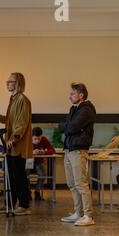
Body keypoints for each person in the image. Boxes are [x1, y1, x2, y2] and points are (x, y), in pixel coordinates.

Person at [0, 72, 33, 216]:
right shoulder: (13, 99)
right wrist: (0, 118)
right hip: (11, 147)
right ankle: (9, 203)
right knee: (11, 176)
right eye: (7, 81)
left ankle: (24, 205)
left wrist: (13, 138)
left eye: (10, 81)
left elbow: (22, 122)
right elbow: (12, 120)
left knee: (19, 176)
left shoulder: (23, 100)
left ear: (18, 83)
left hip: (18, 145)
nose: (7, 83)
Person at [59, 83, 96, 226]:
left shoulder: (86, 109)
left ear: (81, 95)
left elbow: (71, 127)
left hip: (78, 149)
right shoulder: (74, 109)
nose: (69, 96)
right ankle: (78, 213)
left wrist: (67, 126)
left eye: (72, 94)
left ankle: (88, 215)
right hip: (69, 149)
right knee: (72, 184)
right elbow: (64, 125)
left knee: (81, 183)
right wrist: (67, 126)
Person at [31, 127, 56, 200]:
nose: (37, 141)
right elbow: (22, 151)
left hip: (38, 162)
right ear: (31, 136)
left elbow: (53, 151)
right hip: (28, 162)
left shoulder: (44, 139)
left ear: (41, 136)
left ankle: (37, 192)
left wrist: (44, 152)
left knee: (42, 175)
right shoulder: (27, 139)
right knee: (24, 174)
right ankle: (27, 192)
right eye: (35, 139)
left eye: (39, 139)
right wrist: (32, 152)